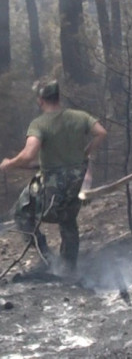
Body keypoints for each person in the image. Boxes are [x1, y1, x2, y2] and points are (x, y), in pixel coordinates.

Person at [0, 79, 107, 274]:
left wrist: (9, 164)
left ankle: (45, 255)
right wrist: (86, 152)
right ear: (58, 96)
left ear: (40, 100)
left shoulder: (40, 124)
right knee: (68, 220)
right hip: (75, 185)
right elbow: (101, 132)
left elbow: (28, 154)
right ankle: (68, 268)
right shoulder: (80, 116)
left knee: (20, 213)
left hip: (51, 189)